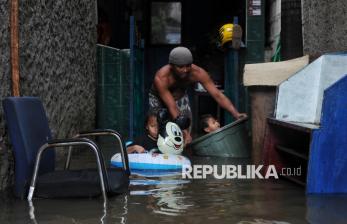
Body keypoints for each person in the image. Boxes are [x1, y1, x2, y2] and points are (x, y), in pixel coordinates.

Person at [149, 46, 247, 144]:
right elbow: (172, 107)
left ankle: (181, 157)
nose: (185, 70)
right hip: (158, 99)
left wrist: (236, 114)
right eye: (181, 67)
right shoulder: (161, 77)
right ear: (172, 65)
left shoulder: (198, 73)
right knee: (157, 128)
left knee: (185, 134)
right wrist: (184, 131)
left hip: (179, 97)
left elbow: (218, 95)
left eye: (188, 66)